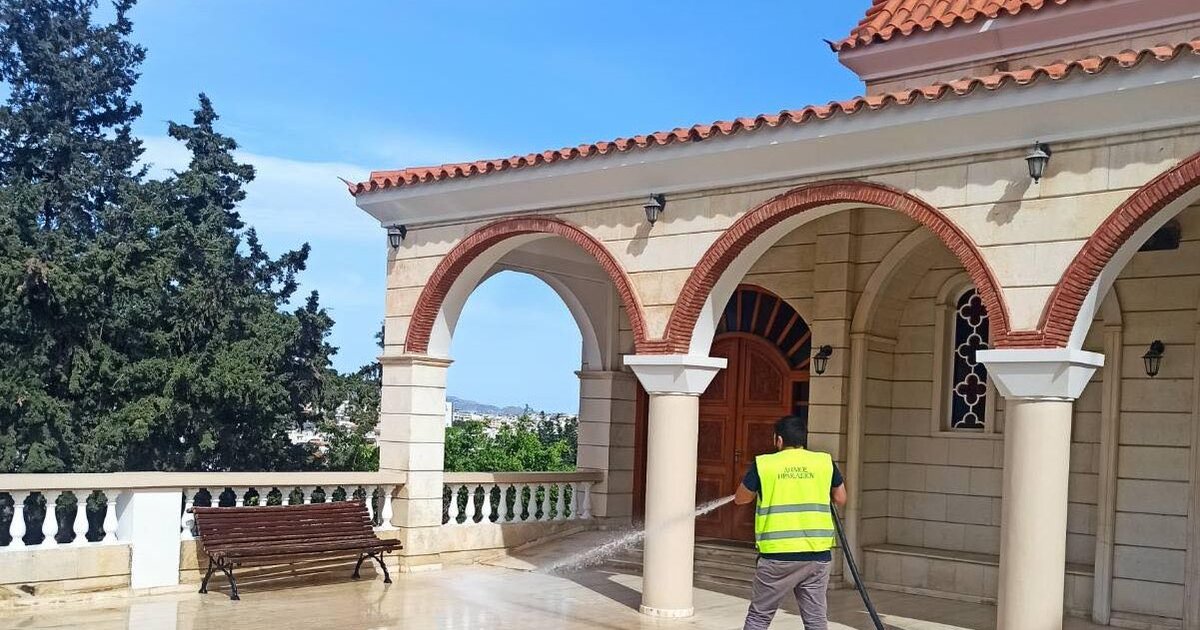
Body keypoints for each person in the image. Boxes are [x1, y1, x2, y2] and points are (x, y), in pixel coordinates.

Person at [734, 414, 847, 630]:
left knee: (759, 617)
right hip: (817, 555)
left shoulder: (765, 464)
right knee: (815, 620)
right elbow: (841, 498)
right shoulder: (823, 462)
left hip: (777, 556)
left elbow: (741, 498)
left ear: (778, 439)